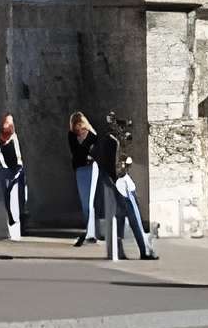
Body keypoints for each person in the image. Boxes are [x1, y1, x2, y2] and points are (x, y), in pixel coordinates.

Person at [98, 114, 156, 259]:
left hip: (116, 181)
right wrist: (121, 172)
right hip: (121, 182)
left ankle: (118, 250)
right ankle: (145, 250)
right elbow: (116, 166)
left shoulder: (108, 142)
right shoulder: (113, 142)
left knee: (120, 217)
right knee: (133, 216)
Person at [66, 110, 100, 244]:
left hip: (91, 168)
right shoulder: (71, 136)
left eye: (79, 124)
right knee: (84, 202)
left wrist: (87, 152)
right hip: (80, 168)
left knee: (90, 201)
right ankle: (89, 230)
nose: (77, 128)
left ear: (83, 123)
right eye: (75, 125)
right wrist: (86, 151)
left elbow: (96, 153)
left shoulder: (92, 135)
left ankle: (90, 233)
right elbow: (76, 152)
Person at [0, 113, 25, 236]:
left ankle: (18, 218)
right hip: (7, 168)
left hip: (16, 168)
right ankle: (11, 218)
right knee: (6, 193)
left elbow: (18, 160)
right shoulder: (1, 142)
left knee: (14, 191)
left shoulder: (13, 138)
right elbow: (1, 157)